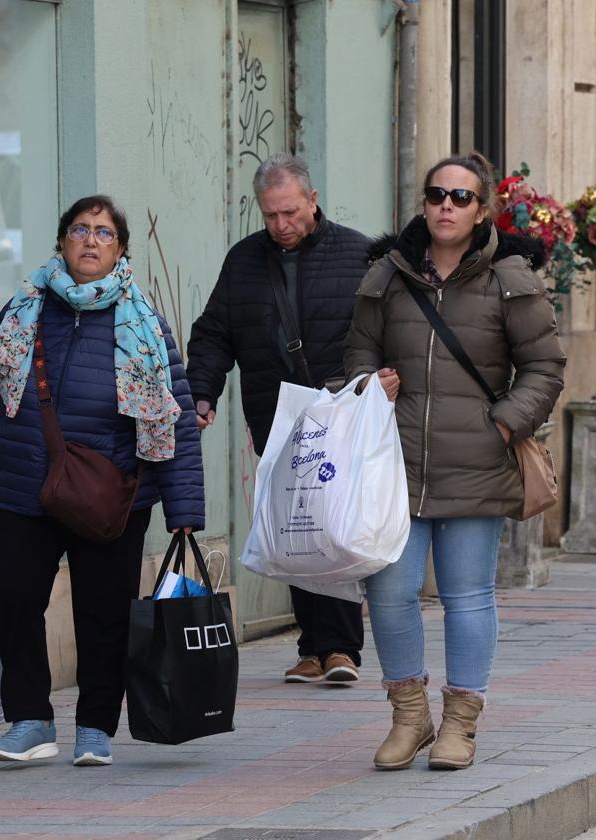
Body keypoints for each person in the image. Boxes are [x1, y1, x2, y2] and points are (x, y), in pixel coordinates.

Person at [0, 195, 204, 766]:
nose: (90, 240)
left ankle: (95, 728)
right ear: (61, 242)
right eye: (80, 230)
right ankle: (30, 719)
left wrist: (184, 511)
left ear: (121, 249)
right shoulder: (22, 310)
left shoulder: (146, 323)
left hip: (111, 494)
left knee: (103, 611)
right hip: (19, 487)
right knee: (12, 597)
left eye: (104, 233)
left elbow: (174, 415)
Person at [344, 152, 565, 770]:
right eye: (437, 194)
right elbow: (356, 351)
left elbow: (545, 367)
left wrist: (504, 422)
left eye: (461, 197)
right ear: (423, 204)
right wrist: (369, 385)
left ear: (482, 210)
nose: (447, 205)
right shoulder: (386, 277)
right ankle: (410, 718)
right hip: (396, 464)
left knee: (468, 597)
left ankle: (460, 725)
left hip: (478, 461)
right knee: (389, 594)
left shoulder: (510, 278)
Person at [187, 154, 369, 684]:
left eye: (290, 212)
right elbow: (215, 332)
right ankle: (312, 648)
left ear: (312, 201)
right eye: (271, 216)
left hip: (338, 414)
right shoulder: (245, 260)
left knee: (330, 523)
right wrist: (203, 391)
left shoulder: (356, 253)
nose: (282, 225)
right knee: (296, 526)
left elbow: (383, 330)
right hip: (275, 414)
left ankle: (340, 648)